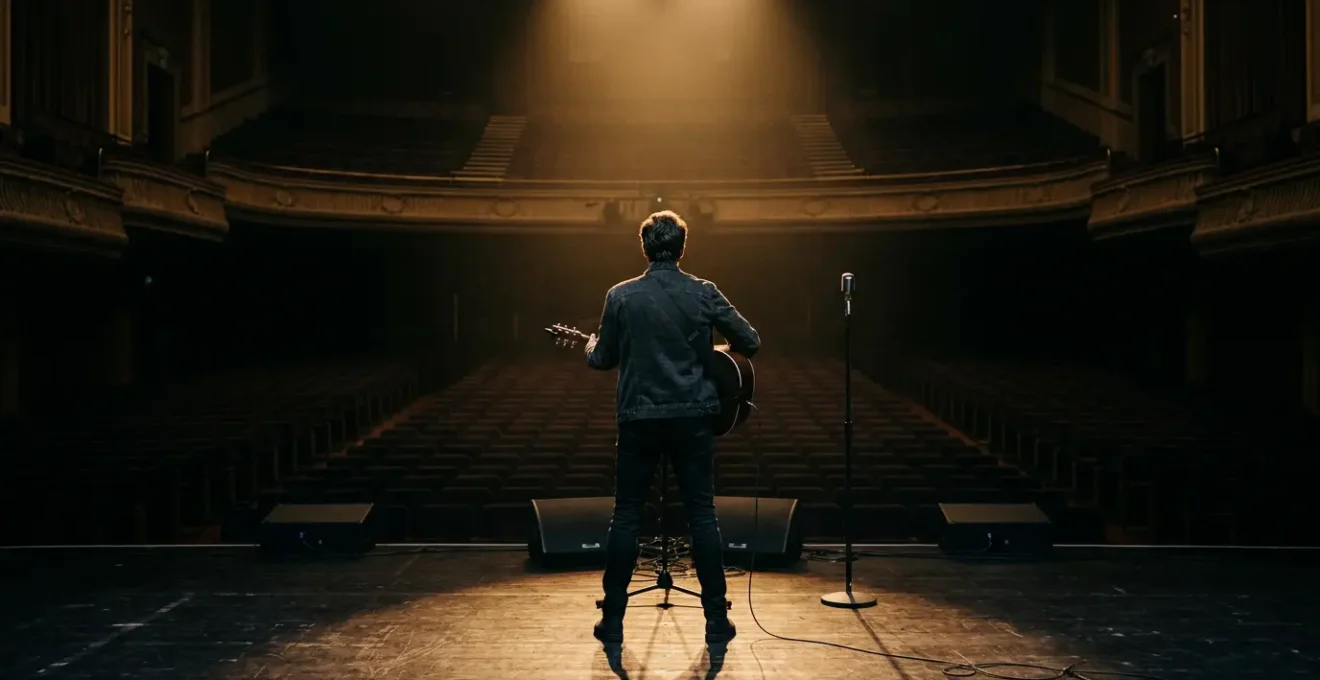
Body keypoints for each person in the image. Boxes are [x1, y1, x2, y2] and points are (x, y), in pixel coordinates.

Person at [583, 210, 761, 645]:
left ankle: (613, 623)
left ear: (644, 248)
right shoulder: (703, 292)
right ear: (683, 248)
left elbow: (601, 358)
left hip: (639, 419)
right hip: (693, 419)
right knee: (702, 514)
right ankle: (716, 621)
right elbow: (751, 341)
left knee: (626, 516)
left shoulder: (621, 296)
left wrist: (590, 342)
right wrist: (715, 349)